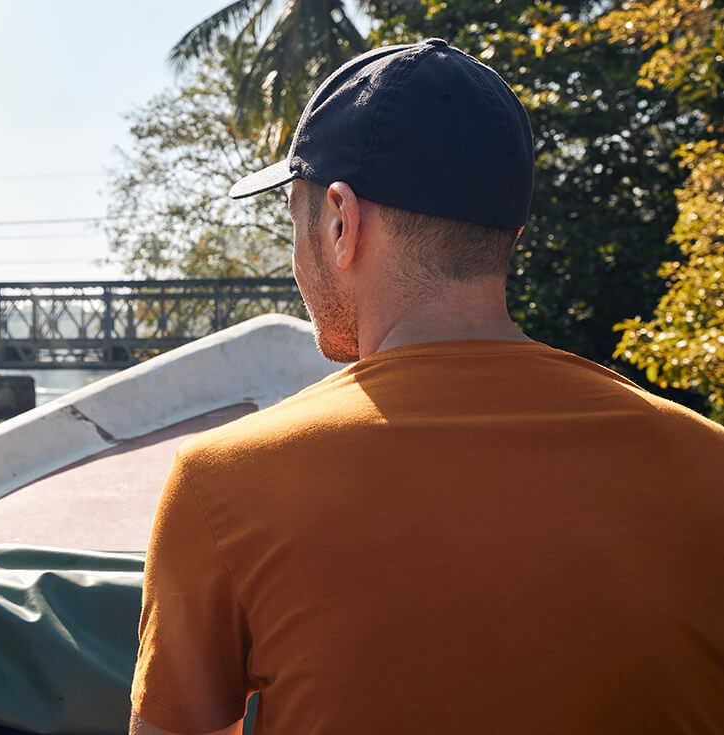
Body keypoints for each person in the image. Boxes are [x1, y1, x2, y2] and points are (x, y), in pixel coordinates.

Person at [129, 38, 724, 735]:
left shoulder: (221, 483)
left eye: (294, 220)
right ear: (510, 230)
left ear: (341, 222)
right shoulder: (706, 463)